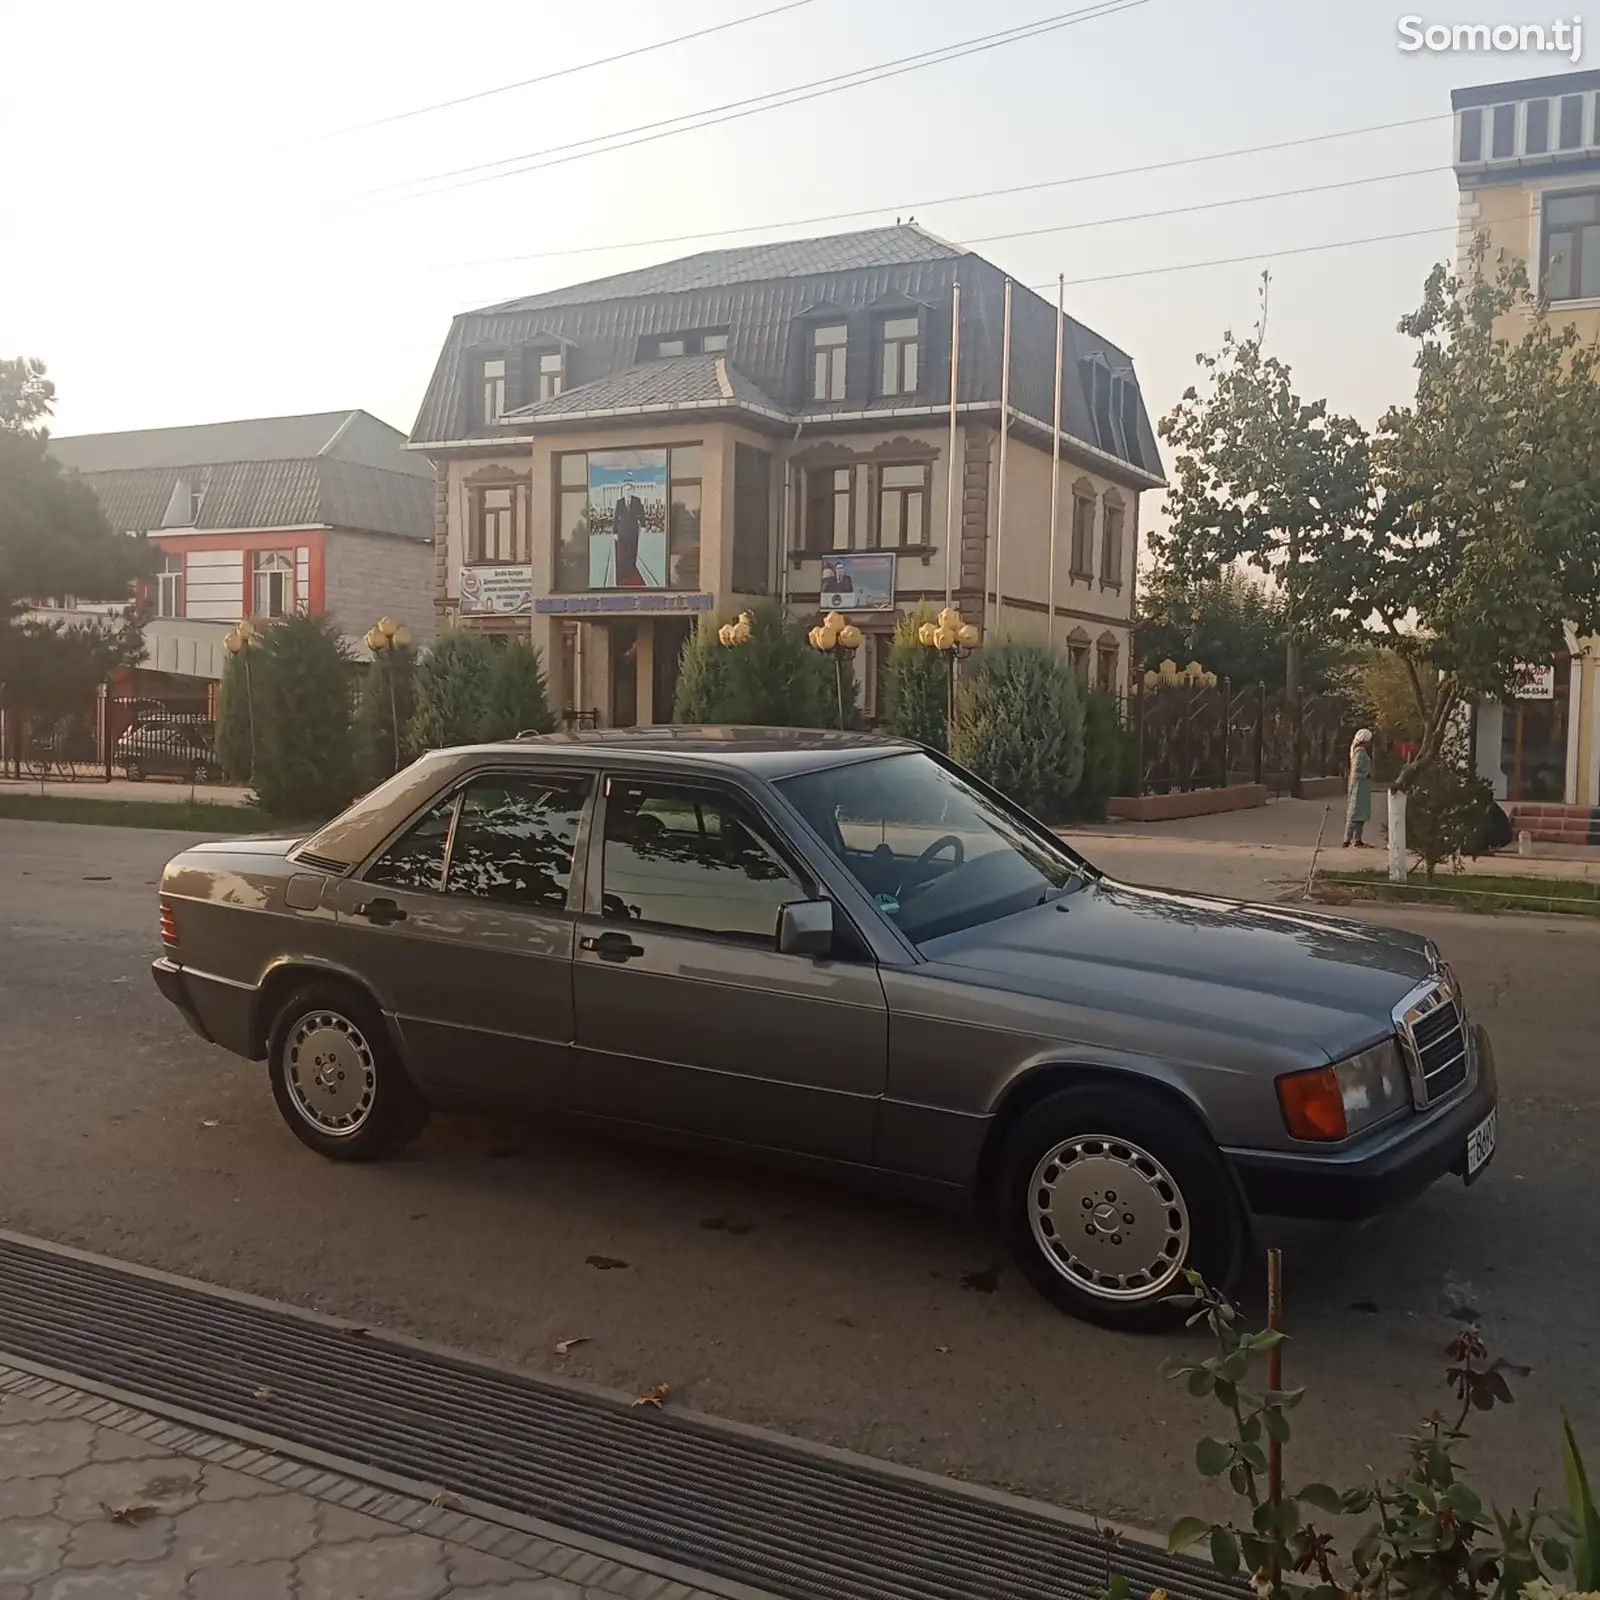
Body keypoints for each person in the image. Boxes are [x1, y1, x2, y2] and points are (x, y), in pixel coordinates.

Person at [1343, 727, 1374, 848]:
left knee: (1360, 813)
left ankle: (1358, 839)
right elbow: (1357, 769)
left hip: (1362, 786)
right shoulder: (1359, 752)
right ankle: (1347, 839)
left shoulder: (1361, 751)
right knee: (1354, 812)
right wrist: (1366, 773)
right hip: (1359, 786)